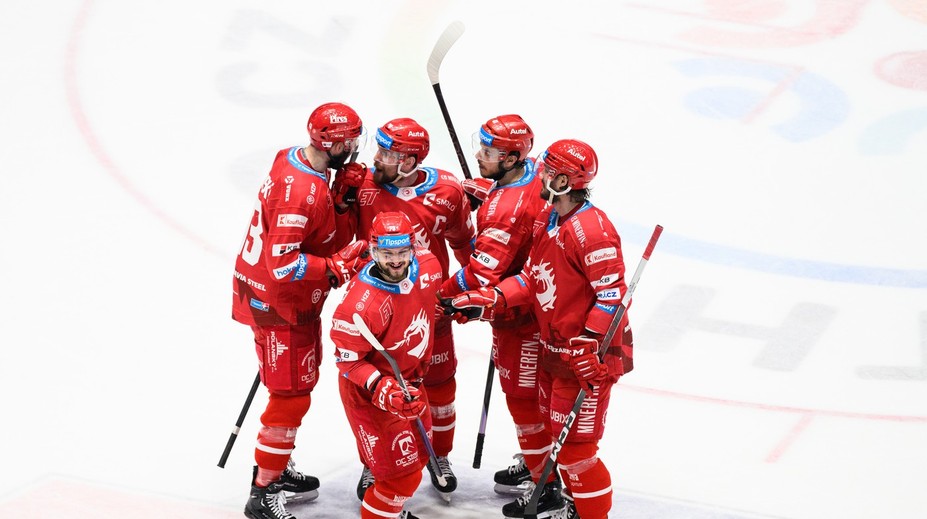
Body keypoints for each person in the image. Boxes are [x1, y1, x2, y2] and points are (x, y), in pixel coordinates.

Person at [445, 139, 631, 519]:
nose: (538, 175)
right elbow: (531, 279)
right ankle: (573, 507)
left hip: (588, 359)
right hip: (554, 349)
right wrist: (490, 300)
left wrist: (590, 343)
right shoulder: (550, 219)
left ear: (563, 182)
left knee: (577, 451)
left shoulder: (592, 230)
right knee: (558, 438)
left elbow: (613, 296)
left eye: (546, 171)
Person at [232, 102, 372, 519]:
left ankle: (276, 465)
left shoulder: (293, 159)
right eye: (350, 142)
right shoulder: (301, 192)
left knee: (291, 388)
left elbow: (314, 231)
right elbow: (282, 263)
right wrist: (332, 267)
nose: (354, 149)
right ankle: (264, 490)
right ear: (333, 144)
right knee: (290, 396)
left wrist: (339, 203)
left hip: (270, 296)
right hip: (279, 305)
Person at [334, 117, 475, 499]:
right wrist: (340, 203)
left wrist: (482, 288)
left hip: (430, 306)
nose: (375, 158)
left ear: (409, 162)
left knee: (440, 385)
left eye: (386, 153)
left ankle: (439, 455)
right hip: (379, 313)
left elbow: (465, 244)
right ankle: (375, 463)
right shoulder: (362, 184)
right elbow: (338, 239)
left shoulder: (447, 191)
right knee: (377, 393)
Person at [436, 114, 549, 497]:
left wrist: (440, 295)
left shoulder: (506, 212)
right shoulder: (535, 170)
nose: (479, 156)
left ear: (512, 158)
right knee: (534, 394)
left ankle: (545, 479)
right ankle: (540, 462)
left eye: (488, 152)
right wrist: (492, 191)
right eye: (481, 147)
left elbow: (479, 276)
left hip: (520, 314)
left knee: (523, 398)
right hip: (535, 300)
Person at [330, 211, 443, 519]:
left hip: (410, 383)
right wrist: (382, 388)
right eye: (387, 254)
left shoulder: (429, 266)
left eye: (402, 252)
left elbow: (435, 301)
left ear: (413, 247)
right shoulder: (359, 306)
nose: (396, 261)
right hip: (370, 394)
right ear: (373, 251)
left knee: (418, 457)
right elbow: (348, 362)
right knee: (401, 478)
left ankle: (387, 509)